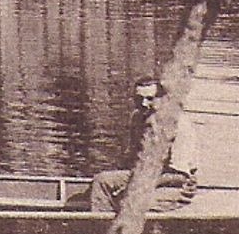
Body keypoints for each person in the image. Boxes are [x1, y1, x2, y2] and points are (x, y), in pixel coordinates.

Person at [78, 77, 199, 213]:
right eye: (138, 98)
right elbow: (131, 158)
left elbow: (179, 176)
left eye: (150, 98)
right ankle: (100, 226)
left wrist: (137, 184)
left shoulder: (179, 126)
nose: (143, 103)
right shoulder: (138, 118)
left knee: (133, 202)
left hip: (173, 187)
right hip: (144, 177)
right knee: (102, 181)